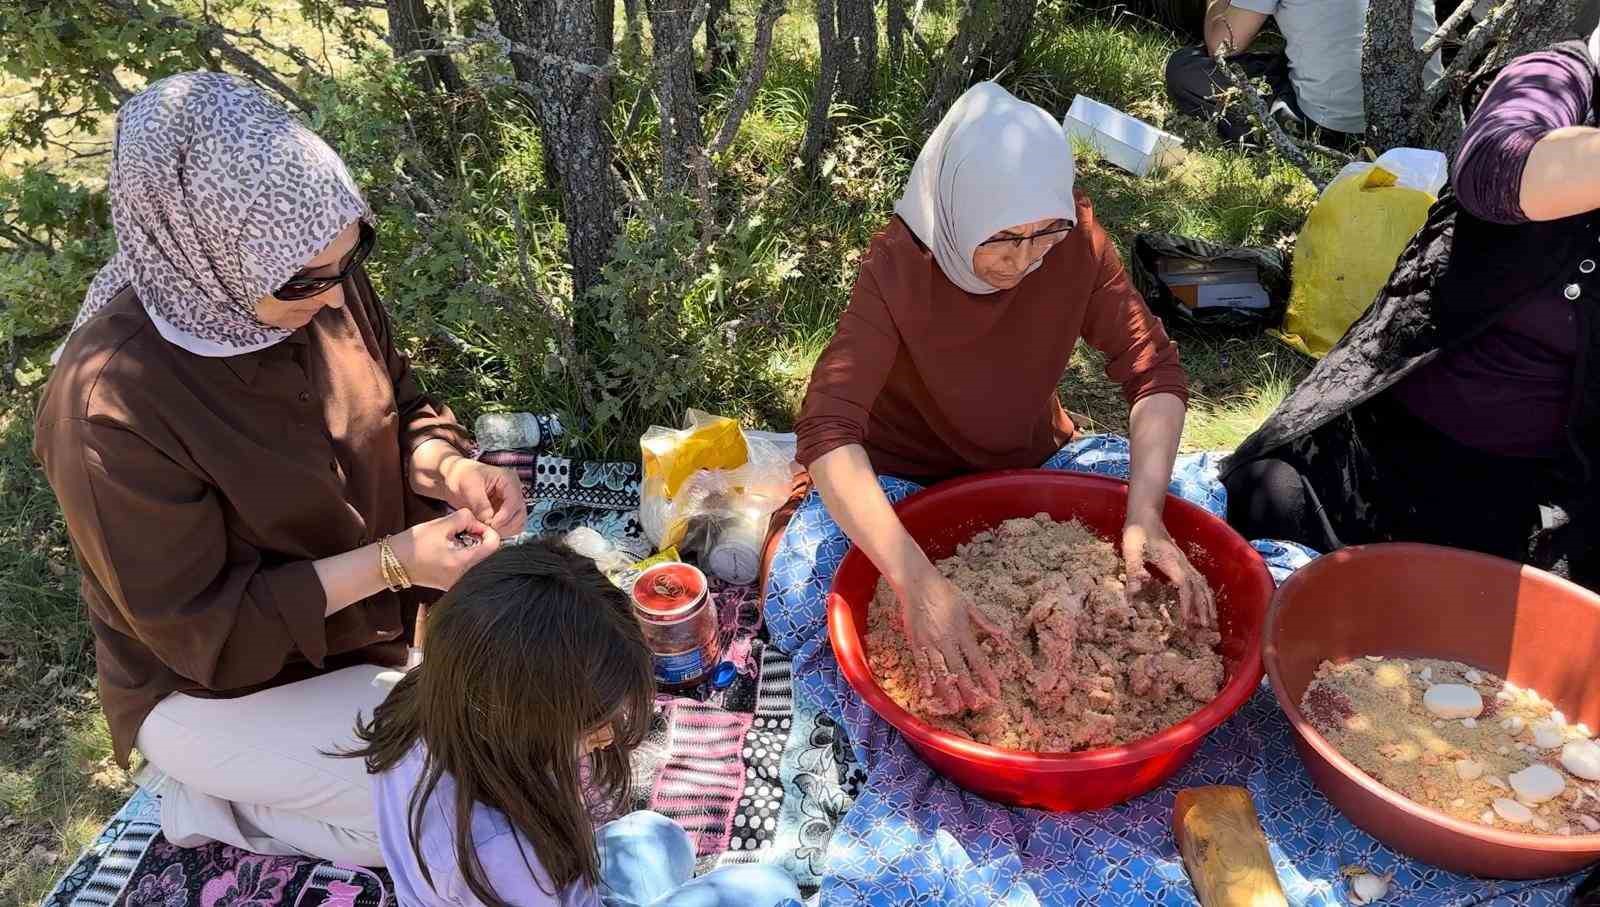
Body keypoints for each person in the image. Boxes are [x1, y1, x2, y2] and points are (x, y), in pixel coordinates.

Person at [33, 72, 528, 865]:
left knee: (512, 754)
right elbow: (207, 631)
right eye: (305, 283)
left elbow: (397, 399)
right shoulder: (108, 407)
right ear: (205, 251)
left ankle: (309, 775)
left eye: (349, 259)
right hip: (214, 686)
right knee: (454, 813)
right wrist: (396, 563)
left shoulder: (307, 271)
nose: (334, 300)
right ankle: (212, 804)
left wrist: (445, 465)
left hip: (361, 635)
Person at [768, 81, 1214, 718]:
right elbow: (828, 430)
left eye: (1045, 233)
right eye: (1003, 238)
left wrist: (1144, 512)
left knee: (1194, 506)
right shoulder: (901, 266)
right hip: (905, 483)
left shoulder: (1076, 245)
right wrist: (915, 578)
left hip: (1029, 465)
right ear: (957, 212)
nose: (1027, 259)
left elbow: (1154, 372)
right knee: (802, 591)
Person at [1223, 27, 1600, 587]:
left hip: (1520, 485)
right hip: (1389, 430)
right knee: (1265, 512)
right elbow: (1495, 166)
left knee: (1449, 629)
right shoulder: (1560, 78)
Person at [353, 540, 803, 907]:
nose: (607, 736)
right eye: (592, 725)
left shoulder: (425, 701)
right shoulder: (504, 858)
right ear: (520, 719)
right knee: (772, 893)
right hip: (532, 888)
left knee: (658, 837)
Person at [1164, 0, 1443, 148]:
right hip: (1423, 111)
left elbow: (1222, 44)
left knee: (1184, 67)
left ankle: (1277, 136)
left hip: (1333, 126)